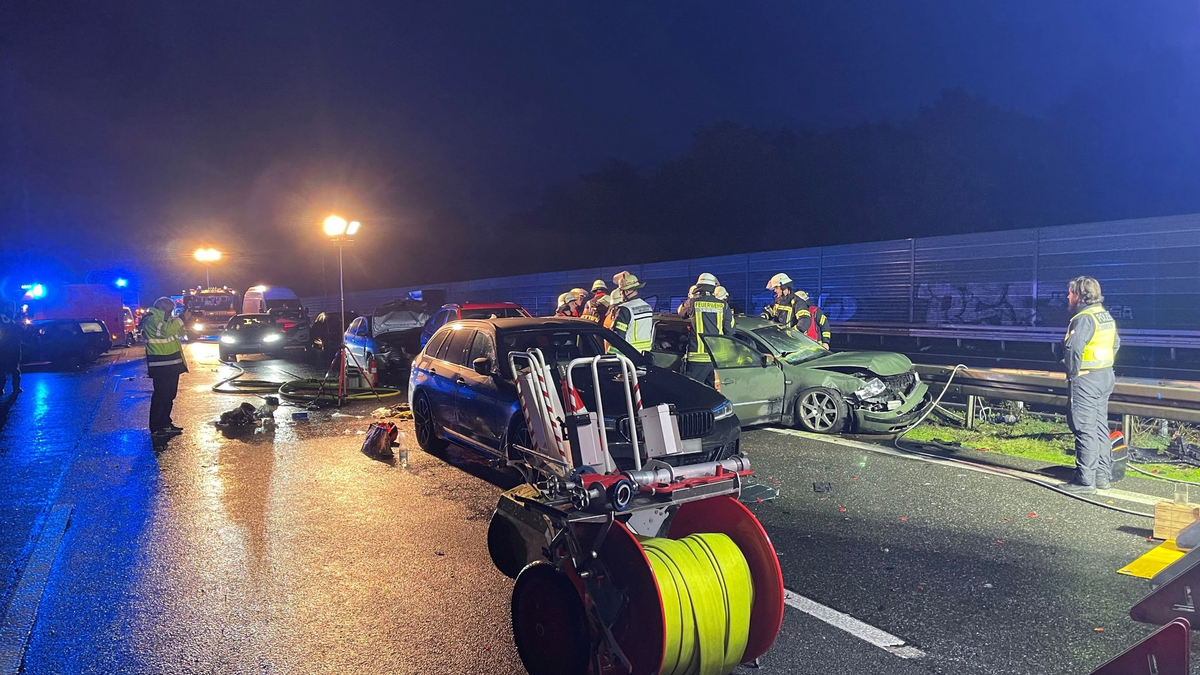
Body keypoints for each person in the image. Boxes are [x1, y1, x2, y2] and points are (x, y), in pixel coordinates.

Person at [1060, 276, 1120, 495]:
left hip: (1086, 380)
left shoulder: (1084, 317)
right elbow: (1116, 344)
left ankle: (1085, 481)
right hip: (1104, 376)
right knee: (1100, 427)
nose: (1068, 296)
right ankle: (1102, 476)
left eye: (1070, 292)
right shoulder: (1104, 316)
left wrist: (1073, 373)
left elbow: (1074, 348)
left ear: (1080, 295)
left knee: (1084, 427)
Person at [677, 273, 733, 387]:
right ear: (713, 288)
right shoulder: (723, 305)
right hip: (716, 358)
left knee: (693, 390)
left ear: (699, 287)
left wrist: (689, 299)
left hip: (697, 358)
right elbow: (730, 331)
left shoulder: (692, 303)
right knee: (713, 392)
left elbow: (681, 313)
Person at [145, 296, 189, 438]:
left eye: (171, 311)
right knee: (160, 396)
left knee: (169, 395)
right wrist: (180, 319)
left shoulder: (167, 321)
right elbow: (166, 332)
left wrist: (182, 321)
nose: (170, 314)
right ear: (161, 308)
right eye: (168, 311)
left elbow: (181, 333)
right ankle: (156, 427)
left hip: (172, 364)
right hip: (161, 365)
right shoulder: (151, 320)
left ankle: (165, 423)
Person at [605, 271, 653, 353]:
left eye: (620, 291)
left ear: (626, 292)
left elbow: (618, 337)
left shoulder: (624, 309)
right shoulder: (648, 307)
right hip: (644, 354)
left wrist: (610, 355)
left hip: (627, 356)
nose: (620, 294)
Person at [0, 301, 22, 396]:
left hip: (12, 347)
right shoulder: (5, 318)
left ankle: (13, 388)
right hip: (7, 347)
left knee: (11, 369)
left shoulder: (12, 320)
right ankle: (11, 388)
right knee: (7, 369)